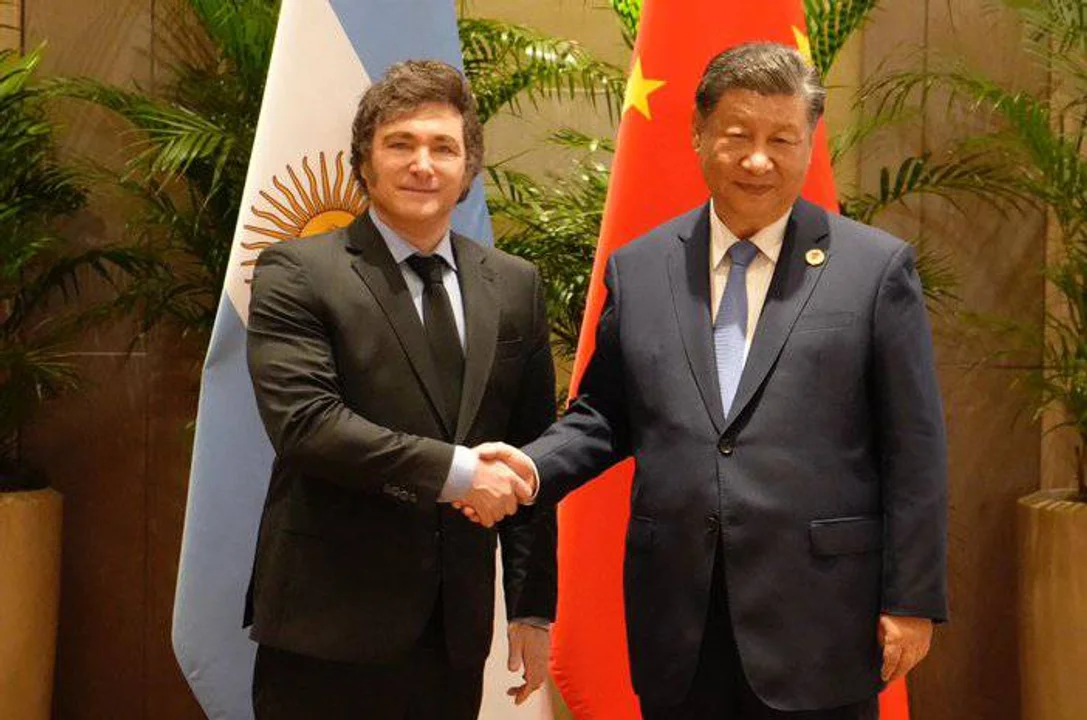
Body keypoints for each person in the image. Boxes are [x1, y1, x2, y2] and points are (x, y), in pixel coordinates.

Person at [471, 42, 948, 719]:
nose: (758, 160)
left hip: (819, 618)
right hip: (680, 618)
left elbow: (914, 447)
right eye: (738, 135)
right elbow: (604, 414)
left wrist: (911, 598)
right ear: (698, 134)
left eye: (781, 139)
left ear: (809, 142)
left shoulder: (873, 270)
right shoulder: (641, 269)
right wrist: (528, 467)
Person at [243, 59, 557, 720]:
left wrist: (531, 607)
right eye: (400, 144)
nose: (423, 165)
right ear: (364, 159)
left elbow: (529, 453)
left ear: (468, 167)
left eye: (443, 147)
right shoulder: (297, 272)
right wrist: (460, 472)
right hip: (326, 626)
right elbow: (307, 425)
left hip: (451, 634)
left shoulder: (514, 285)